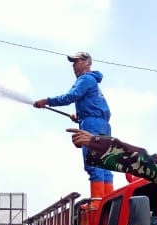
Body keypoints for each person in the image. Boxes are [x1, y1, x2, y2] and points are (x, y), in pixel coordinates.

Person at [34, 51, 114, 199]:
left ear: (86, 63)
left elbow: (71, 96)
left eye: (76, 62)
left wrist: (47, 101)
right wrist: (80, 116)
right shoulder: (93, 81)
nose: (73, 66)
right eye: (73, 63)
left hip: (92, 124)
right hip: (102, 125)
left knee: (94, 164)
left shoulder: (85, 79)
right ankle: (108, 202)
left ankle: (98, 204)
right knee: (104, 164)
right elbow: (95, 106)